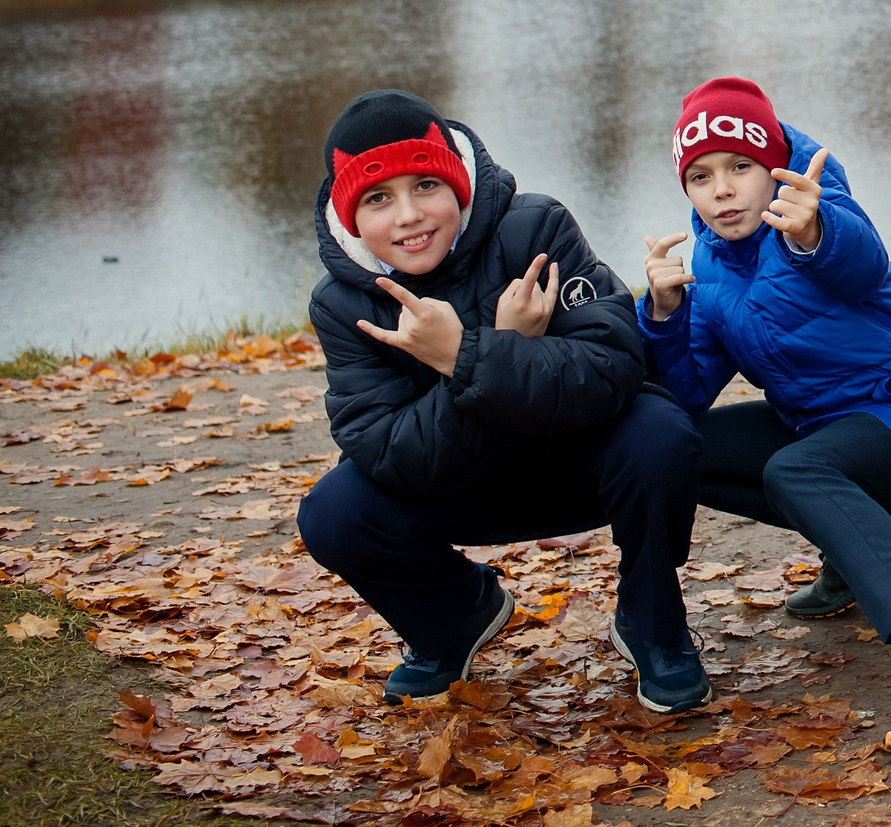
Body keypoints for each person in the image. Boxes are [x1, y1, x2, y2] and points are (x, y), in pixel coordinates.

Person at [294, 89, 707, 712]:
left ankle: (652, 620)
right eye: (378, 199)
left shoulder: (535, 228)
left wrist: (470, 357)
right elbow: (389, 451)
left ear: (458, 184)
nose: (408, 216)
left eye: (425, 185)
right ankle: (455, 616)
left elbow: (613, 368)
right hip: (459, 483)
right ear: (351, 217)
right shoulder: (340, 303)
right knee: (333, 513)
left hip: (576, 464)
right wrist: (482, 354)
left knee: (659, 434)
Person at [634, 76, 891, 751]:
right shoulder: (710, 270)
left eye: (740, 167)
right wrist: (664, 317)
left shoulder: (820, 218)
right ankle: (855, 552)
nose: (722, 190)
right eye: (700, 176)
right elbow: (685, 394)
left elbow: (860, 263)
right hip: (826, 431)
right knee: (674, 445)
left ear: (774, 166)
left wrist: (815, 230)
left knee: (799, 469)